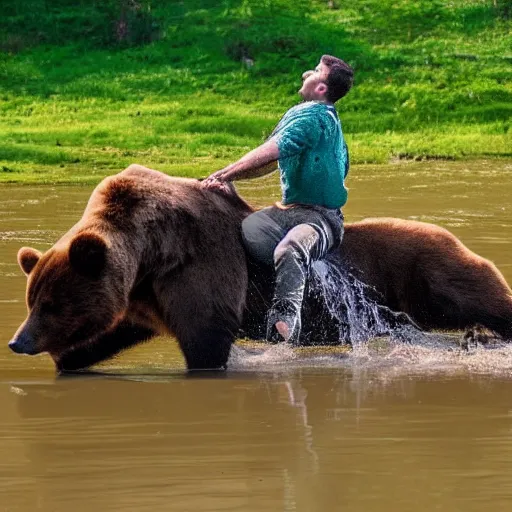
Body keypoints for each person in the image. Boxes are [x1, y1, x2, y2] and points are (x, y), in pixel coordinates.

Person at [202, 54, 354, 344]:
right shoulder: (308, 116)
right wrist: (229, 182)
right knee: (243, 228)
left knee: (290, 250)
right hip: (286, 212)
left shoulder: (315, 115)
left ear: (321, 89)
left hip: (320, 218)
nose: (306, 73)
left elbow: (272, 150)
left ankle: (283, 324)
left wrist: (224, 175)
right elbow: (271, 161)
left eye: (316, 71)